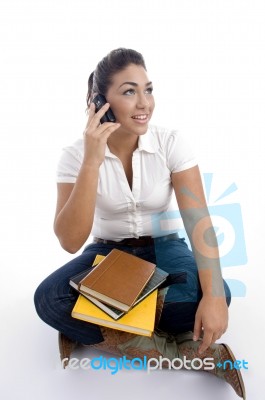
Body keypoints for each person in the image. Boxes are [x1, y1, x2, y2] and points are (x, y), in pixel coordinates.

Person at [34, 48, 245, 399]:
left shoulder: (170, 142)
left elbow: (198, 221)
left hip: (164, 248)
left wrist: (211, 297)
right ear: (99, 101)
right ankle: (186, 354)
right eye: (129, 91)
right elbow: (70, 241)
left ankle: (98, 323)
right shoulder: (74, 156)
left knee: (218, 293)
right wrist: (91, 162)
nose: (144, 102)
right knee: (50, 299)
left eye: (148, 89)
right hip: (108, 254)